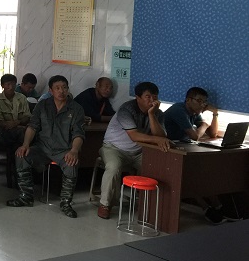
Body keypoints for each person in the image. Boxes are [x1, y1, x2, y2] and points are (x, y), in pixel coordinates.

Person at [6, 75, 85, 218]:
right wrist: (25, 145)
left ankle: (65, 203)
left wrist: (74, 150)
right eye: (57, 88)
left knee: (71, 163)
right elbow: (32, 126)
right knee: (21, 155)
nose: (61, 91)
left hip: (63, 150)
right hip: (42, 148)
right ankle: (26, 196)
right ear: (51, 90)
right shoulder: (42, 105)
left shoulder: (76, 108)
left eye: (64, 88)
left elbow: (78, 133)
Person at [97, 81, 170, 220]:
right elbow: (134, 136)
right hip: (113, 148)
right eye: (148, 97)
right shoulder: (126, 109)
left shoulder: (158, 113)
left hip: (138, 152)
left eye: (155, 97)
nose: (152, 100)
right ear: (138, 97)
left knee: (155, 168)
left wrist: (152, 115)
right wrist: (156, 139)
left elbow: (160, 136)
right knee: (113, 167)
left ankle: (147, 203)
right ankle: (105, 204)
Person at [163, 87, 227, 223]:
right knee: (192, 174)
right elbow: (195, 136)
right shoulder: (178, 110)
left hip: (182, 147)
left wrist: (215, 114)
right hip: (166, 150)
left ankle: (218, 207)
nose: (202, 105)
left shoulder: (194, 112)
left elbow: (213, 134)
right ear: (188, 100)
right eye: (199, 101)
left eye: (204, 102)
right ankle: (208, 209)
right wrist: (204, 124)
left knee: (203, 172)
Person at [0, 74, 32, 172]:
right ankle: (20, 165)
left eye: (13, 84)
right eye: (8, 84)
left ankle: (22, 162)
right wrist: (11, 125)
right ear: (2, 85)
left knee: (29, 132)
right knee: (23, 133)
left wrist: (17, 122)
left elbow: (27, 116)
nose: (11, 87)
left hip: (21, 128)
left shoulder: (22, 98)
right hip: (4, 132)